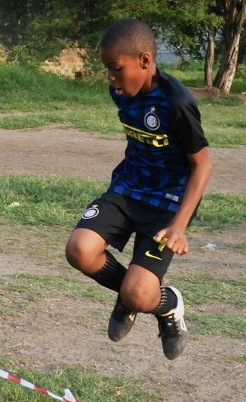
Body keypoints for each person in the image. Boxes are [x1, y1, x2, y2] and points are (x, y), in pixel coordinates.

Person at [64, 18, 212, 360]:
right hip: (128, 187)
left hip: (167, 203)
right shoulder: (120, 92)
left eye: (116, 69)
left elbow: (202, 164)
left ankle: (168, 305)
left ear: (144, 61)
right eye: (107, 70)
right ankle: (128, 294)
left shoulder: (177, 103)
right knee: (80, 250)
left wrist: (180, 225)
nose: (110, 78)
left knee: (140, 294)